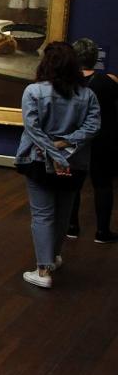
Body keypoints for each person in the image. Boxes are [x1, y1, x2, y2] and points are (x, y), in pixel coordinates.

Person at [15, 42, 100, 289]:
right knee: (63, 213)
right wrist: (64, 145)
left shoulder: (33, 91)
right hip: (75, 163)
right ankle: (52, 258)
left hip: (38, 162)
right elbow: (92, 127)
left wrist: (54, 152)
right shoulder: (87, 95)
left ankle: (43, 271)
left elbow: (33, 130)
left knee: (42, 214)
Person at [68, 38, 118, 243]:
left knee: (73, 184)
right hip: (103, 138)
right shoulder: (109, 81)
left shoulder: (67, 82)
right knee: (103, 184)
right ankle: (102, 232)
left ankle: (71, 227)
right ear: (95, 58)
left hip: (76, 139)